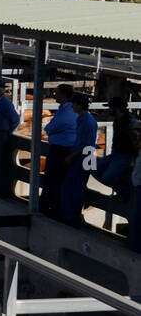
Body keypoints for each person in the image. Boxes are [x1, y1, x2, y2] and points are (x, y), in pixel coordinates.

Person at [60, 93, 98, 227]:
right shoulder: (82, 119)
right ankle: (71, 215)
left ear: (79, 105)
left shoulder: (87, 121)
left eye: (74, 103)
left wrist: (71, 156)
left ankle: (72, 216)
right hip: (84, 156)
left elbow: (87, 145)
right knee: (74, 187)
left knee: (74, 187)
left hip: (84, 157)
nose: (72, 106)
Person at [41, 84, 77, 219]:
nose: (55, 95)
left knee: (54, 179)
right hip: (60, 148)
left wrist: (51, 130)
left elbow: (52, 127)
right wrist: (51, 129)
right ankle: (51, 207)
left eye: (57, 93)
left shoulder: (67, 111)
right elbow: (51, 127)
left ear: (64, 95)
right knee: (54, 179)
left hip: (61, 150)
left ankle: (52, 208)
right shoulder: (64, 109)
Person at [99, 95, 139, 198]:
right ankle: (122, 189)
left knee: (107, 177)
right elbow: (115, 140)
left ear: (117, 109)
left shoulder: (131, 122)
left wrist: (135, 161)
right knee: (93, 168)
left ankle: (124, 192)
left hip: (127, 156)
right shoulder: (117, 121)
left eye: (111, 107)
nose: (109, 110)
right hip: (117, 155)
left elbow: (138, 143)